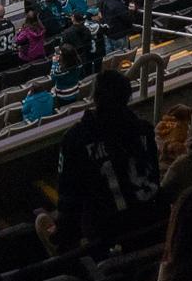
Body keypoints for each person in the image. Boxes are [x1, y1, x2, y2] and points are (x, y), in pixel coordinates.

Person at [42, 69, 160, 254]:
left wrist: (61, 235)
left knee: (40, 221)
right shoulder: (144, 130)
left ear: (94, 97)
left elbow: (68, 200)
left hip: (107, 238)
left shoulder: (76, 139)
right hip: (151, 222)